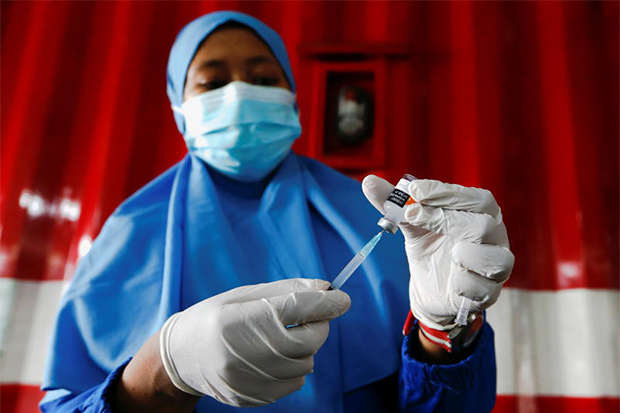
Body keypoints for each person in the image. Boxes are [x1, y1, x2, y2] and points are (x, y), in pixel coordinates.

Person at [40, 11, 513, 413]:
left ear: (292, 97)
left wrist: (441, 334)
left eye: (264, 79)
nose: (241, 92)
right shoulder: (132, 230)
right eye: (213, 81)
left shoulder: (368, 214)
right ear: (179, 108)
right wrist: (161, 372)